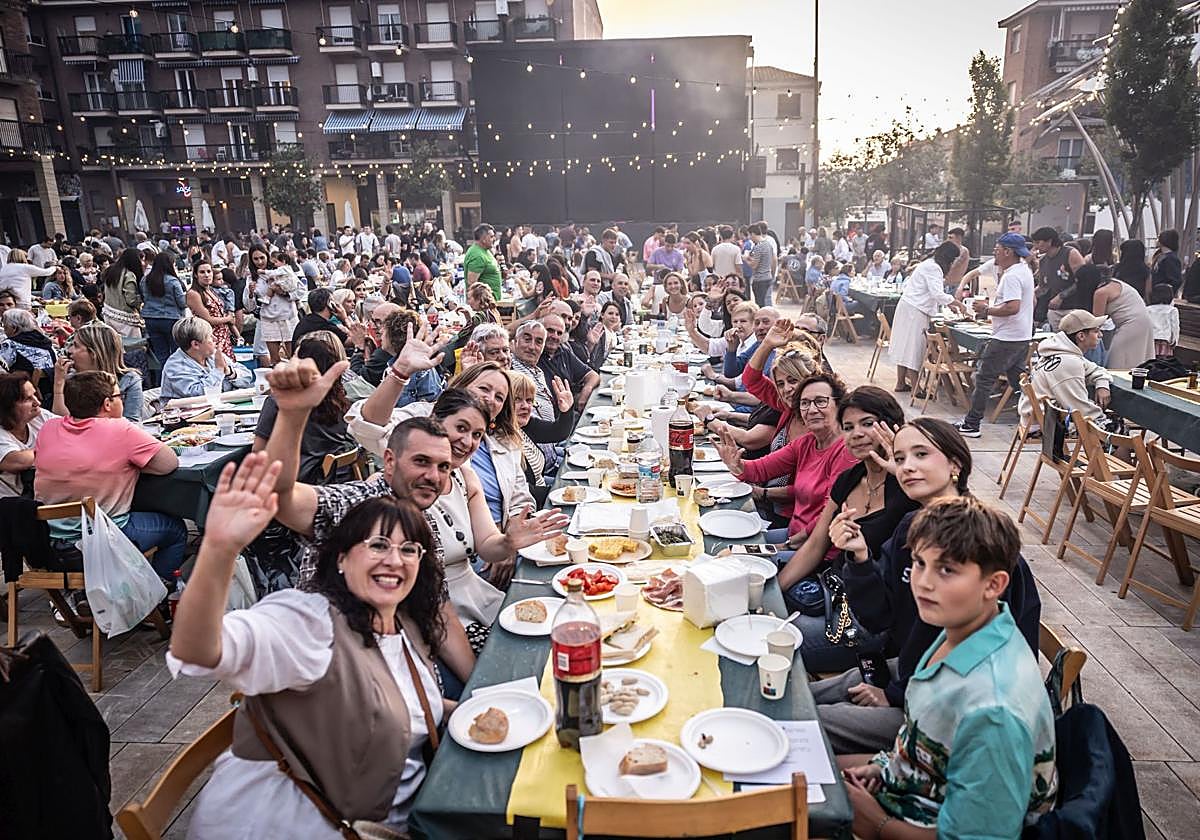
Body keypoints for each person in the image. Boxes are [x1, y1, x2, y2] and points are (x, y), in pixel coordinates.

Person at [168, 454, 447, 837]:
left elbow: (406, 702)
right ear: (341, 559)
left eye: (409, 549)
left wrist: (470, 709)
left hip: (405, 814)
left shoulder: (401, 621)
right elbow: (198, 649)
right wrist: (219, 549)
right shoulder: (309, 624)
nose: (394, 560)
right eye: (379, 545)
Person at [838, 497, 1055, 839]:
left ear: (994, 585)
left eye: (947, 570)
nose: (923, 582)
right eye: (920, 563)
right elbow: (926, 735)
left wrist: (877, 824)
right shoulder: (961, 630)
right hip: (911, 784)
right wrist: (884, 767)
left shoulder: (994, 712)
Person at [767, 386, 916, 671]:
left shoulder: (911, 490)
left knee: (768, 642)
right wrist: (776, 593)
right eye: (848, 427)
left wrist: (901, 466)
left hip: (867, 622)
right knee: (749, 597)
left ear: (893, 427)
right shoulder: (850, 478)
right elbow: (815, 545)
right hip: (830, 594)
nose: (856, 433)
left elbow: (951, 509)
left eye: (868, 423)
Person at [34, 370, 186, 583]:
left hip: (51, 539)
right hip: (104, 537)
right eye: (119, 396)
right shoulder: (120, 429)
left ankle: (84, 593)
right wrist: (133, 465)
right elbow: (169, 464)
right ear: (107, 404)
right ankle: (156, 595)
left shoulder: (48, 428)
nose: (121, 400)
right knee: (176, 529)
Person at [715, 372, 858, 548]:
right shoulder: (806, 443)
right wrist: (735, 464)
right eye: (805, 403)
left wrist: (786, 545)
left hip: (816, 548)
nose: (812, 410)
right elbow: (760, 469)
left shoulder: (845, 451)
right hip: (792, 533)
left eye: (821, 401)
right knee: (723, 543)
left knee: (735, 555)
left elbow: (828, 515)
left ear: (839, 405)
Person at [954, 232, 1036, 438]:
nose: (995, 255)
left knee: (983, 378)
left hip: (1007, 337)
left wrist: (986, 309)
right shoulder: (1023, 270)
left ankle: (972, 424)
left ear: (1008, 252)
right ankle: (1037, 419)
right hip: (1020, 335)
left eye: (997, 250)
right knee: (1019, 381)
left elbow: (1012, 307)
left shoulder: (1012, 276)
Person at [252, 335, 357, 484]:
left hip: (298, 481)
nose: (290, 362)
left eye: (295, 357)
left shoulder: (278, 402)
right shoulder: (342, 402)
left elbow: (258, 451)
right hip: (338, 478)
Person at [889, 243, 968, 393]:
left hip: (910, 307)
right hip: (915, 310)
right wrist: (957, 303)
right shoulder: (934, 267)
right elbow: (937, 293)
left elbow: (934, 293)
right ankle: (915, 388)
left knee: (905, 347)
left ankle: (901, 383)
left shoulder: (929, 264)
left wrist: (949, 304)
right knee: (914, 348)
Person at [1019, 310, 1112, 431]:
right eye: (1096, 331)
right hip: (1045, 426)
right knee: (1119, 433)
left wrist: (1102, 385)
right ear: (1081, 336)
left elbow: (1097, 370)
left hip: (1039, 418)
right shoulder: (1068, 362)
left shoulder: (1065, 353)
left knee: (1110, 426)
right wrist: (1103, 419)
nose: (1100, 335)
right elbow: (1079, 408)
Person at [56, 322, 143, 422]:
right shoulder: (71, 379)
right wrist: (58, 383)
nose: (69, 351)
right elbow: (62, 423)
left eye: (76, 346)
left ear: (93, 353)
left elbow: (132, 422)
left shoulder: (128, 380)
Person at [160, 317, 249, 402]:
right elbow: (199, 395)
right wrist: (219, 370)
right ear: (195, 344)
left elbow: (247, 377)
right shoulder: (175, 366)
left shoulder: (212, 354)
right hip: (185, 415)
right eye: (210, 336)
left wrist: (229, 372)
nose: (215, 338)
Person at [1093, 255, 1156, 370]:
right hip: (1143, 321)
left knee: (1117, 357)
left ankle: (1119, 382)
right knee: (1136, 357)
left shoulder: (1101, 292)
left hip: (1130, 324)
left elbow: (1096, 321)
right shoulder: (1116, 283)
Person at [0, 372, 55, 498]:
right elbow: (18, 461)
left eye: (35, 395)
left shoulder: (39, 415)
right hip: (10, 508)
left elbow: (70, 429)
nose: (37, 402)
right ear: (8, 407)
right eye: (27, 399)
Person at [539, 313, 600, 411]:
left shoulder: (563, 351)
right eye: (550, 331)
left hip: (568, 411)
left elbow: (593, 375)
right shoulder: (535, 355)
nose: (555, 336)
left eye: (559, 333)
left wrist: (585, 393)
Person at [1031, 226, 1085, 328]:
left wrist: (1061, 296)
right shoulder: (1043, 261)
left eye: (1038, 242)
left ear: (1049, 241)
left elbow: (1083, 280)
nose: (1035, 246)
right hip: (1054, 310)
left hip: (1073, 307)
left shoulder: (1070, 253)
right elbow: (1043, 287)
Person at [140, 252, 188, 365]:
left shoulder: (145, 280)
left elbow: (144, 298)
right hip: (172, 319)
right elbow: (182, 303)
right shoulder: (173, 281)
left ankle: (161, 380)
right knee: (177, 353)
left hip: (151, 319)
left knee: (160, 355)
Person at [1, 308, 55, 399]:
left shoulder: (10, 344)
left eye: (5, 327)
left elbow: (1, 366)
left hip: (23, 392)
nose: (4, 330)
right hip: (49, 390)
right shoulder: (45, 341)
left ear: (14, 328)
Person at [101, 247, 144, 338]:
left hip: (108, 312)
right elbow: (131, 300)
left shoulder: (111, 270)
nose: (142, 263)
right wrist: (141, 300)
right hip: (124, 317)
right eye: (141, 260)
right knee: (135, 348)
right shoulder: (129, 275)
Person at [465, 224, 503, 301]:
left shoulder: (485, 250)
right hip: (484, 305)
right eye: (491, 237)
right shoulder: (477, 255)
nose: (494, 239)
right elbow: (472, 283)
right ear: (483, 239)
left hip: (491, 301)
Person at [746, 222, 778, 307]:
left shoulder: (758, 247)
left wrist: (745, 259)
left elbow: (754, 265)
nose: (749, 238)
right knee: (766, 301)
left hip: (759, 279)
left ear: (753, 234)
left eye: (749, 235)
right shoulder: (768, 244)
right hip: (767, 276)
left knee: (760, 304)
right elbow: (771, 260)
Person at [1148, 283, 1180, 358]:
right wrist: (1175, 340)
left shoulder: (1148, 309)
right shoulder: (1172, 310)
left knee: (1149, 358)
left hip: (1151, 339)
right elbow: (1175, 327)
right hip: (1165, 340)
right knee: (1163, 361)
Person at [1151, 229, 1183, 296]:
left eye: (1158, 238)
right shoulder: (1161, 256)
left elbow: (1175, 280)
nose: (1156, 240)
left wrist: (1167, 293)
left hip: (1163, 296)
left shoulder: (1171, 259)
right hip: (1156, 293)